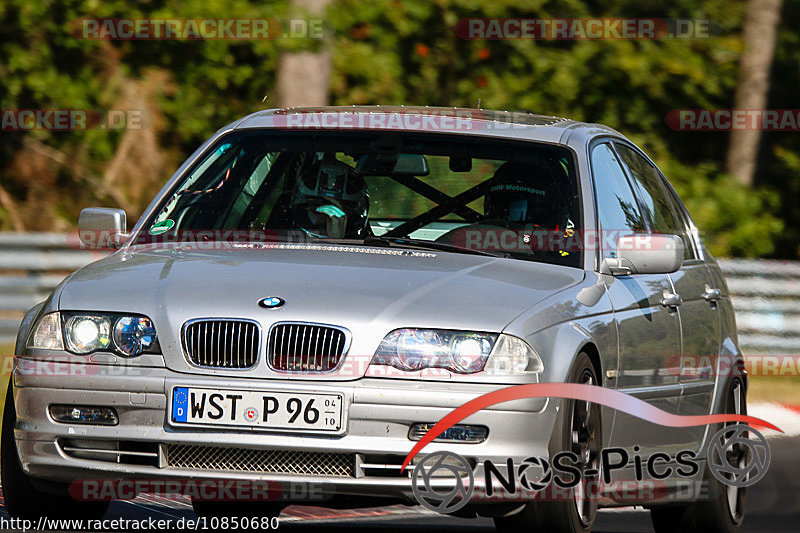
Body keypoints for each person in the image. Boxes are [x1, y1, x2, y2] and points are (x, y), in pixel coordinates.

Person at [290, 153, 370, 239]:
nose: (331, 218)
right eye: (319, 211)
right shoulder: (282, 240)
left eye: (338, 211)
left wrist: (337, 241)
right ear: (302, 212)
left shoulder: (366, 248)